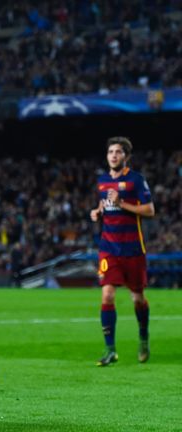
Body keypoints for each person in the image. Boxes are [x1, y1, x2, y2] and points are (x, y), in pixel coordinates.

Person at [89, 137, 155, 366]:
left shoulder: (136, 180)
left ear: (126, 156)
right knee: (107, 294)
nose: (114, 155)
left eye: (118, 152)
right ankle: (110, 350)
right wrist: (97, 212)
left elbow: (150, 210)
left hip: (133, 249)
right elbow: (104, 205)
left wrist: (122, 203)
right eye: (110, 152)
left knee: (137, 298)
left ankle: (143, 338)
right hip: (109, 248)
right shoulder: (102, 181)